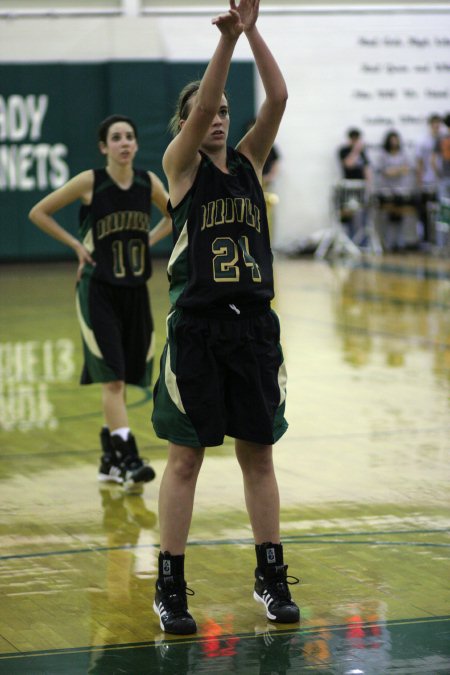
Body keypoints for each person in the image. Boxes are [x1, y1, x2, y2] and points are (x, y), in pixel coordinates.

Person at [151, 0, 300, 636]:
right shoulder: (179, 169)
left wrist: (254, 28)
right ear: (188, 124)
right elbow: (211, 97)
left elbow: (280, 97)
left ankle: (270, 576)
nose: (218, 119)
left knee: (258, 456)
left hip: (253, 329)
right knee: (186, 460)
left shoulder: (247, 161)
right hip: (199, 330)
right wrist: (226, 43)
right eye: (206, 115)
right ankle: (170, 587)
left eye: (223, 114)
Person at [29, 114, 172, 492]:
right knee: (113, 380)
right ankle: (129, 459)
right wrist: (76, 244)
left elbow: (177, 214)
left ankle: (109, 459)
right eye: (116, 137)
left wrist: (151, 239)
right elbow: (38, 212)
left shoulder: (148, 182)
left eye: (130, 136)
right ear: (103, 147)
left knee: (122, 382)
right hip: (98, 292)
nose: (124, 142)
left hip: (135, 292)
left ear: (136, 145)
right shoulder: (91, 182)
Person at [376, 130, 416, 252]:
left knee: (400, 216)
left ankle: (400, 243)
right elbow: (386, 172)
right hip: (387, 190)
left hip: (400, 190)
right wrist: (397, 170)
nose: (394, 142)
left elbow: (407, 169)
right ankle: (389, 243)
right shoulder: (383, 155)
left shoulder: (403, 154)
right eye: (392, 140)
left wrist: (395, 170)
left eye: (396, 140)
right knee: (389, 217)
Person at [337, 128, 372, 241]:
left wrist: (369, 184)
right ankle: (349, 238)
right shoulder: (344, 150)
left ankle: (362, 240)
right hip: (348, 186)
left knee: (363, 213)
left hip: (360, 186)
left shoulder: (363, 152)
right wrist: (356, 150)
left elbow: (367, 169)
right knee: (348, 213)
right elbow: (348, 164)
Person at [415, 113, 442, 246]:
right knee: (425, 212)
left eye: (438, 125)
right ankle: (425, 240)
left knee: (442, 211)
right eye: (434, 125)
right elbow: (419, 162)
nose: (436, 127)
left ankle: (441, 240)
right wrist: (419, 181)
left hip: (441, 182)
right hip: (427, 180)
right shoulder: (423, 141)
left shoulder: (444, 140)